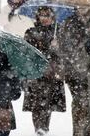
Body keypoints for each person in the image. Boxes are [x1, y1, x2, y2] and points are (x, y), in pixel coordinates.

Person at [23, 7, 65, 136]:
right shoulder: (30, 32)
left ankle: (44, 128)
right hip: (35, 73)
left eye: (47, 15)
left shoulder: (59, 33)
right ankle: (38, 129)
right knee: (36, 104)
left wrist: (56, 48)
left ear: (52, 17)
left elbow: (64, 54)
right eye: (42, 15)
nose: (44, 18)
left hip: (52, 73)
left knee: (48, 103)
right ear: (37, 17)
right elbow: (27, 53)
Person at [56, 8, 90, 136]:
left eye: (85, 5)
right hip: (74, 72)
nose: (82, 7)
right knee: (80, 102)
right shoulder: (69, 23)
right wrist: (86, 38)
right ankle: (78, 132)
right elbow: (65, 47)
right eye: (79, 5)